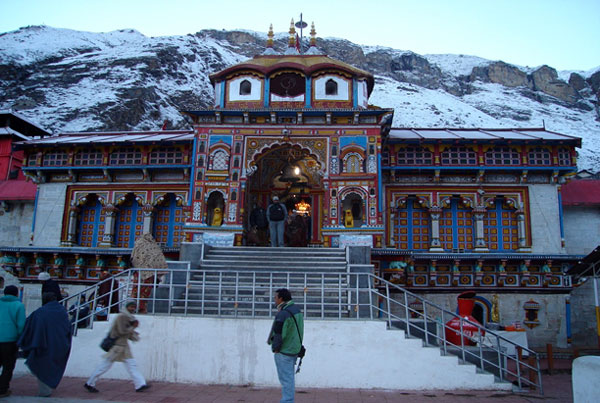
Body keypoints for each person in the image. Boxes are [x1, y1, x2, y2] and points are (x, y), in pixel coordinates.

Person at [84, 300, 150, 393]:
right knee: (105, 365)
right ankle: (90, 383)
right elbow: (122, 331)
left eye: (134, 307)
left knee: (132, 365)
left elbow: (127, 331)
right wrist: (133, 327)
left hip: (124, 346)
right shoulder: (121, 317)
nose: (133, 309)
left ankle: (140, 384)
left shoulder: (129, 317)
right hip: (117, 346)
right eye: (131, 307)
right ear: (127, 307)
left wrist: (134, 334)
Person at [18, 292, 72, 397]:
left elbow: (30, 325)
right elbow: (67, 328)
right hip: (59, 344)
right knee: (52, 366)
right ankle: (47, 387)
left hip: (43, 343)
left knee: (42, 365)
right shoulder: (62, 312)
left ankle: (45, 390)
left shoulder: (41, 312)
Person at [267, 288, 304, 403]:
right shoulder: (296, 310)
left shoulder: (283, 313)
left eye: (275, 297)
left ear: (281, 299)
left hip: (284, 351)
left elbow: (279, 333)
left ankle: (287, 401)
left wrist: (276, 348)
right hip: (294, 349)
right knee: (289, 378)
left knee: (286, 380)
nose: (274, 300)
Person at [0, 285, 25, 398]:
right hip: (10, 341)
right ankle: (2, 389)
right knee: (8, 366)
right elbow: (21, 325)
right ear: (16, 294)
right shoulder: (18, 306)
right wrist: (20, 337)